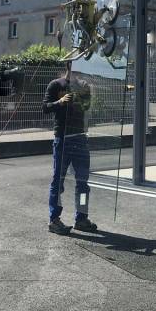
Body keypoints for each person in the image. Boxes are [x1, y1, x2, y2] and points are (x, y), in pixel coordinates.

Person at [43, 62, 98, 235]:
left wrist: (84, 96)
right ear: (69, 66)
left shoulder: (83, 86)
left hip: (80, 138)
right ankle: (54, 220)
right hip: (63, 139)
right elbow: (45, 107)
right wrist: (59, 101)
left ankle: (81, 218)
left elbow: (87, 107)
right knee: (58, 182)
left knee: (82, 183)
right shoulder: (55, 84)